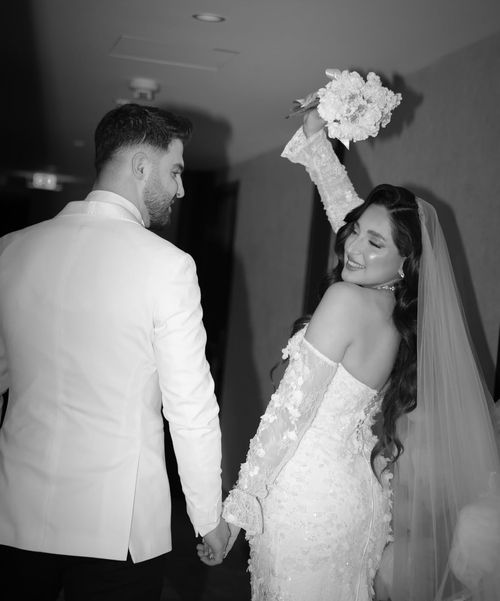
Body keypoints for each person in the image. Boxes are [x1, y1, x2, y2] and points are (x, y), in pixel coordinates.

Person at [216, 107, 500, 601]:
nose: (353, 247)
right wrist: (318, 145)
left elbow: (289, 414)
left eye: (374, 242)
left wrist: (237, 511)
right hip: (358, 503)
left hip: (306, 502)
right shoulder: (399, 315)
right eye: (355, 232)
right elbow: (360, 230)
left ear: (405, 262)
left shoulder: (346, 300)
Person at [0, 103, 229, 601]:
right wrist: (207, 516)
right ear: (141, 167)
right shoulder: (168, 266)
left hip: (13, 512)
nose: (181, 189)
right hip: (114, 526)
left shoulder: (10, 250)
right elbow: (189, 407)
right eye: (175, 172)